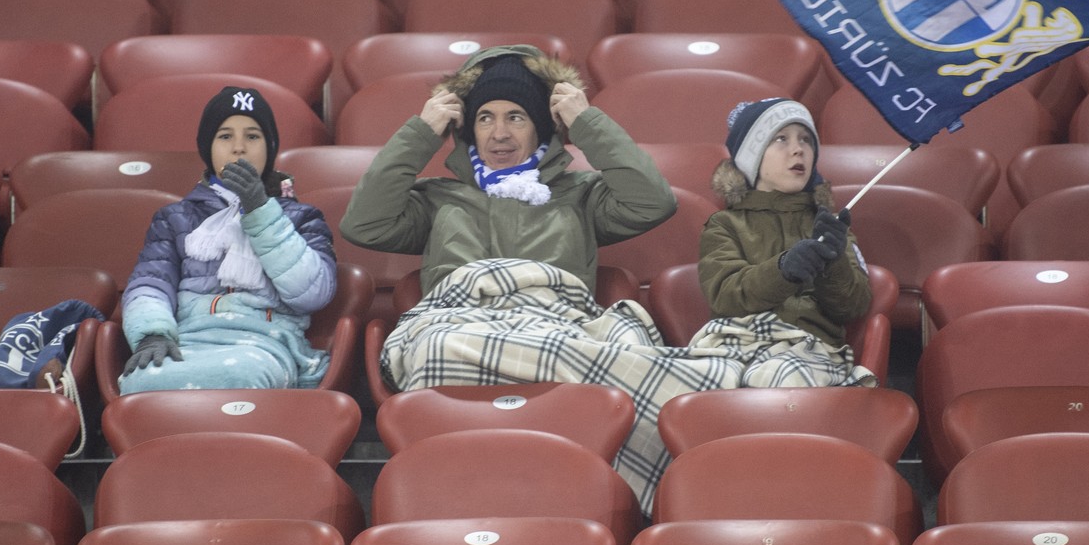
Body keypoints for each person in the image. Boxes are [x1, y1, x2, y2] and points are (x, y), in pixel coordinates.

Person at [339, 44, 676, 295]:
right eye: (485, 118)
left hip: (553, 332)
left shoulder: (582, 196)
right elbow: (365, 225)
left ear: (542, 128)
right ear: (469, 129)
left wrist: (586, 124)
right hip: (457, 332)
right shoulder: (437, 200)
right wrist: (421, 135)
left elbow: (652, 203)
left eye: (516, 117)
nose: (499, 133)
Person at [119, 85, 337, 392]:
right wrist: (153, 333)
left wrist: (260, 210)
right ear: (208, 148)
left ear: (270, 147)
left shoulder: (302, 217)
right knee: (140, 383)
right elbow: (149, 283)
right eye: (225, 136)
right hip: (188, 339)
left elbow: (312, 293)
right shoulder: (174, 218)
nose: (239, 148)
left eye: (252, 136)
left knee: (242, 376)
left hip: (267, 342)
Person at [699, 97, 873, 350]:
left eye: (806, 139)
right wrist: (782, 270)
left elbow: (854, 306)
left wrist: (834, 263)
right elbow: (725, 296)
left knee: (779, 374)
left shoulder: (829, 226)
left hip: (809, 352)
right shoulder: (724, 224)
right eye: (781, 138)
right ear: (752, 157)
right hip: (734, 348)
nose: (798, 149)